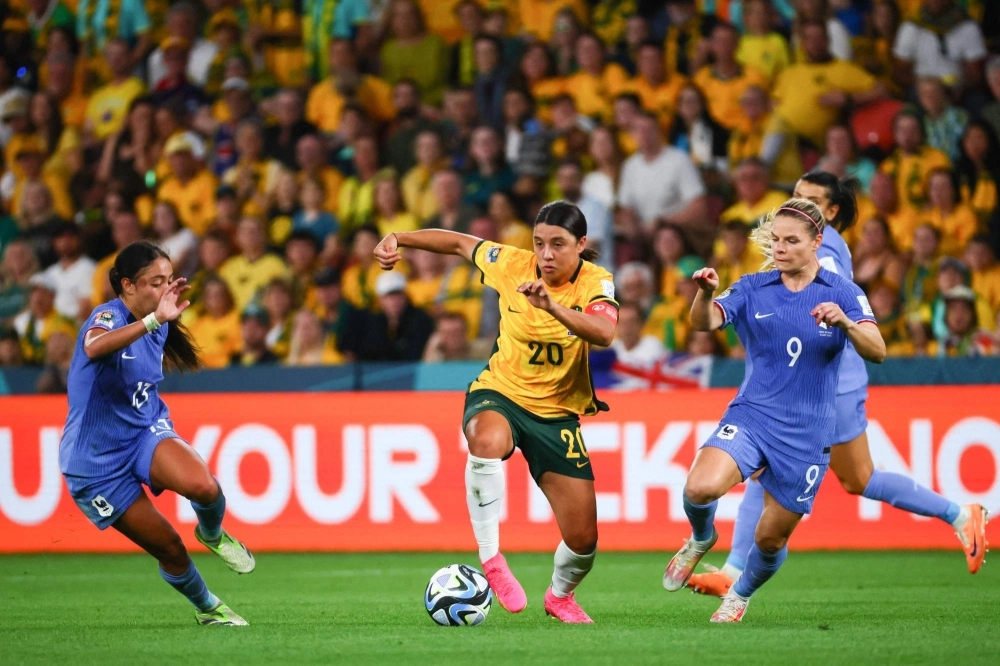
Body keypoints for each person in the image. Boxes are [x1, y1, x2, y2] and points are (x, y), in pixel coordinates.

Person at [686, 173, 989, 602]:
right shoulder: (819, 243)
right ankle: (960, 514)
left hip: (827, 383)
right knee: (840, 475)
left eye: (811, 199)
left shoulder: (821, 253)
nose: (800, 203)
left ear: (828, 214)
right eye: (796, 195)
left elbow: (823, 306)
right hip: (807, 379)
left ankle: (735, 570)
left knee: (836, 474)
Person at [373, 201, 619, 623]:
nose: (546, 254)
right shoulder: (511, 263)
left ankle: (560, 597)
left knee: (583, 541)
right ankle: (491, 559)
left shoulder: (596, 282)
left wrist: (553, 307)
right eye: (539, 243)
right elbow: (457, 243)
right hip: (501, 392)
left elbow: (605, 332)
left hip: (556, 413)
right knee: (485, 439)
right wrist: (399, 237)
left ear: (581, 244)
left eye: (558, 244)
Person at [663, 197, 888, 623]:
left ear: (816, 241)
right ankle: (700, 537)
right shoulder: (753, 286)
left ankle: (740, 594)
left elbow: (877, 350)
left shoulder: (843, 292)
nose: (780, 248)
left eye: (791, 241)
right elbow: (704, 322)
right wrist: (705, 294)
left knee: (769, 539)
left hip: (807, 434)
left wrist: (845, 322)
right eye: (775, 240)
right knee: (699, 489)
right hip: (753, 416)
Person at [59, 241, 253, 626]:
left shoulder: (159, 320)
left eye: (169, 280)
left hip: (143, 432)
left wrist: (157, 320)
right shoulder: (108, 316)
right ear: (128, 285)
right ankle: (208, 607)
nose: (165, 290)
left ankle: (212, 534)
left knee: (204, 487)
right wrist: (152, 321)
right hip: (96, 464)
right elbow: (93, 347)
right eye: (155, 282)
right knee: (170, 548)